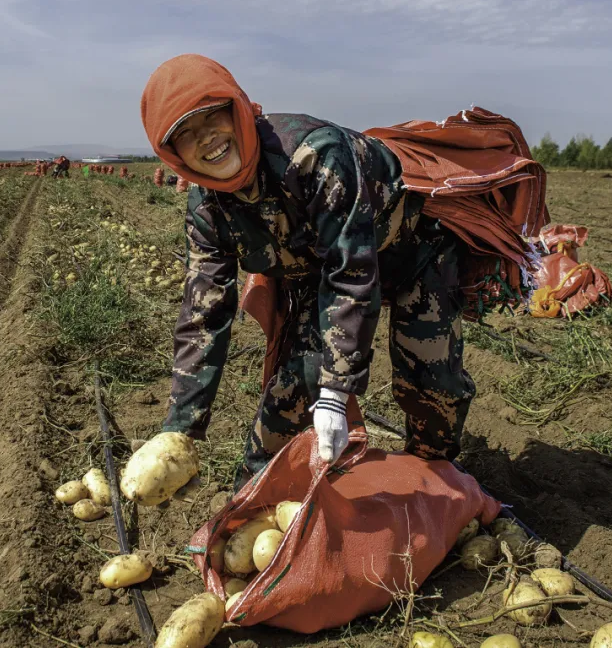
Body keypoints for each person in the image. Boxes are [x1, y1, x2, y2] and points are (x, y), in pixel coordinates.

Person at [140, 54, 545, 489]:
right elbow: (204, 313)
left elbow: (351, 272)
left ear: (236, 108)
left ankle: (434, 483)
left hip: (411, 253)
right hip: (321, 273)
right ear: (171, 153)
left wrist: (336, 392)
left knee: (431, 382)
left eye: (210, 117)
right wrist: (179, 431)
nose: (206, 140)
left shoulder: (314, 156)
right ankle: (254, 497)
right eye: (184, 135)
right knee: (294, 388)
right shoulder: (207, 209)